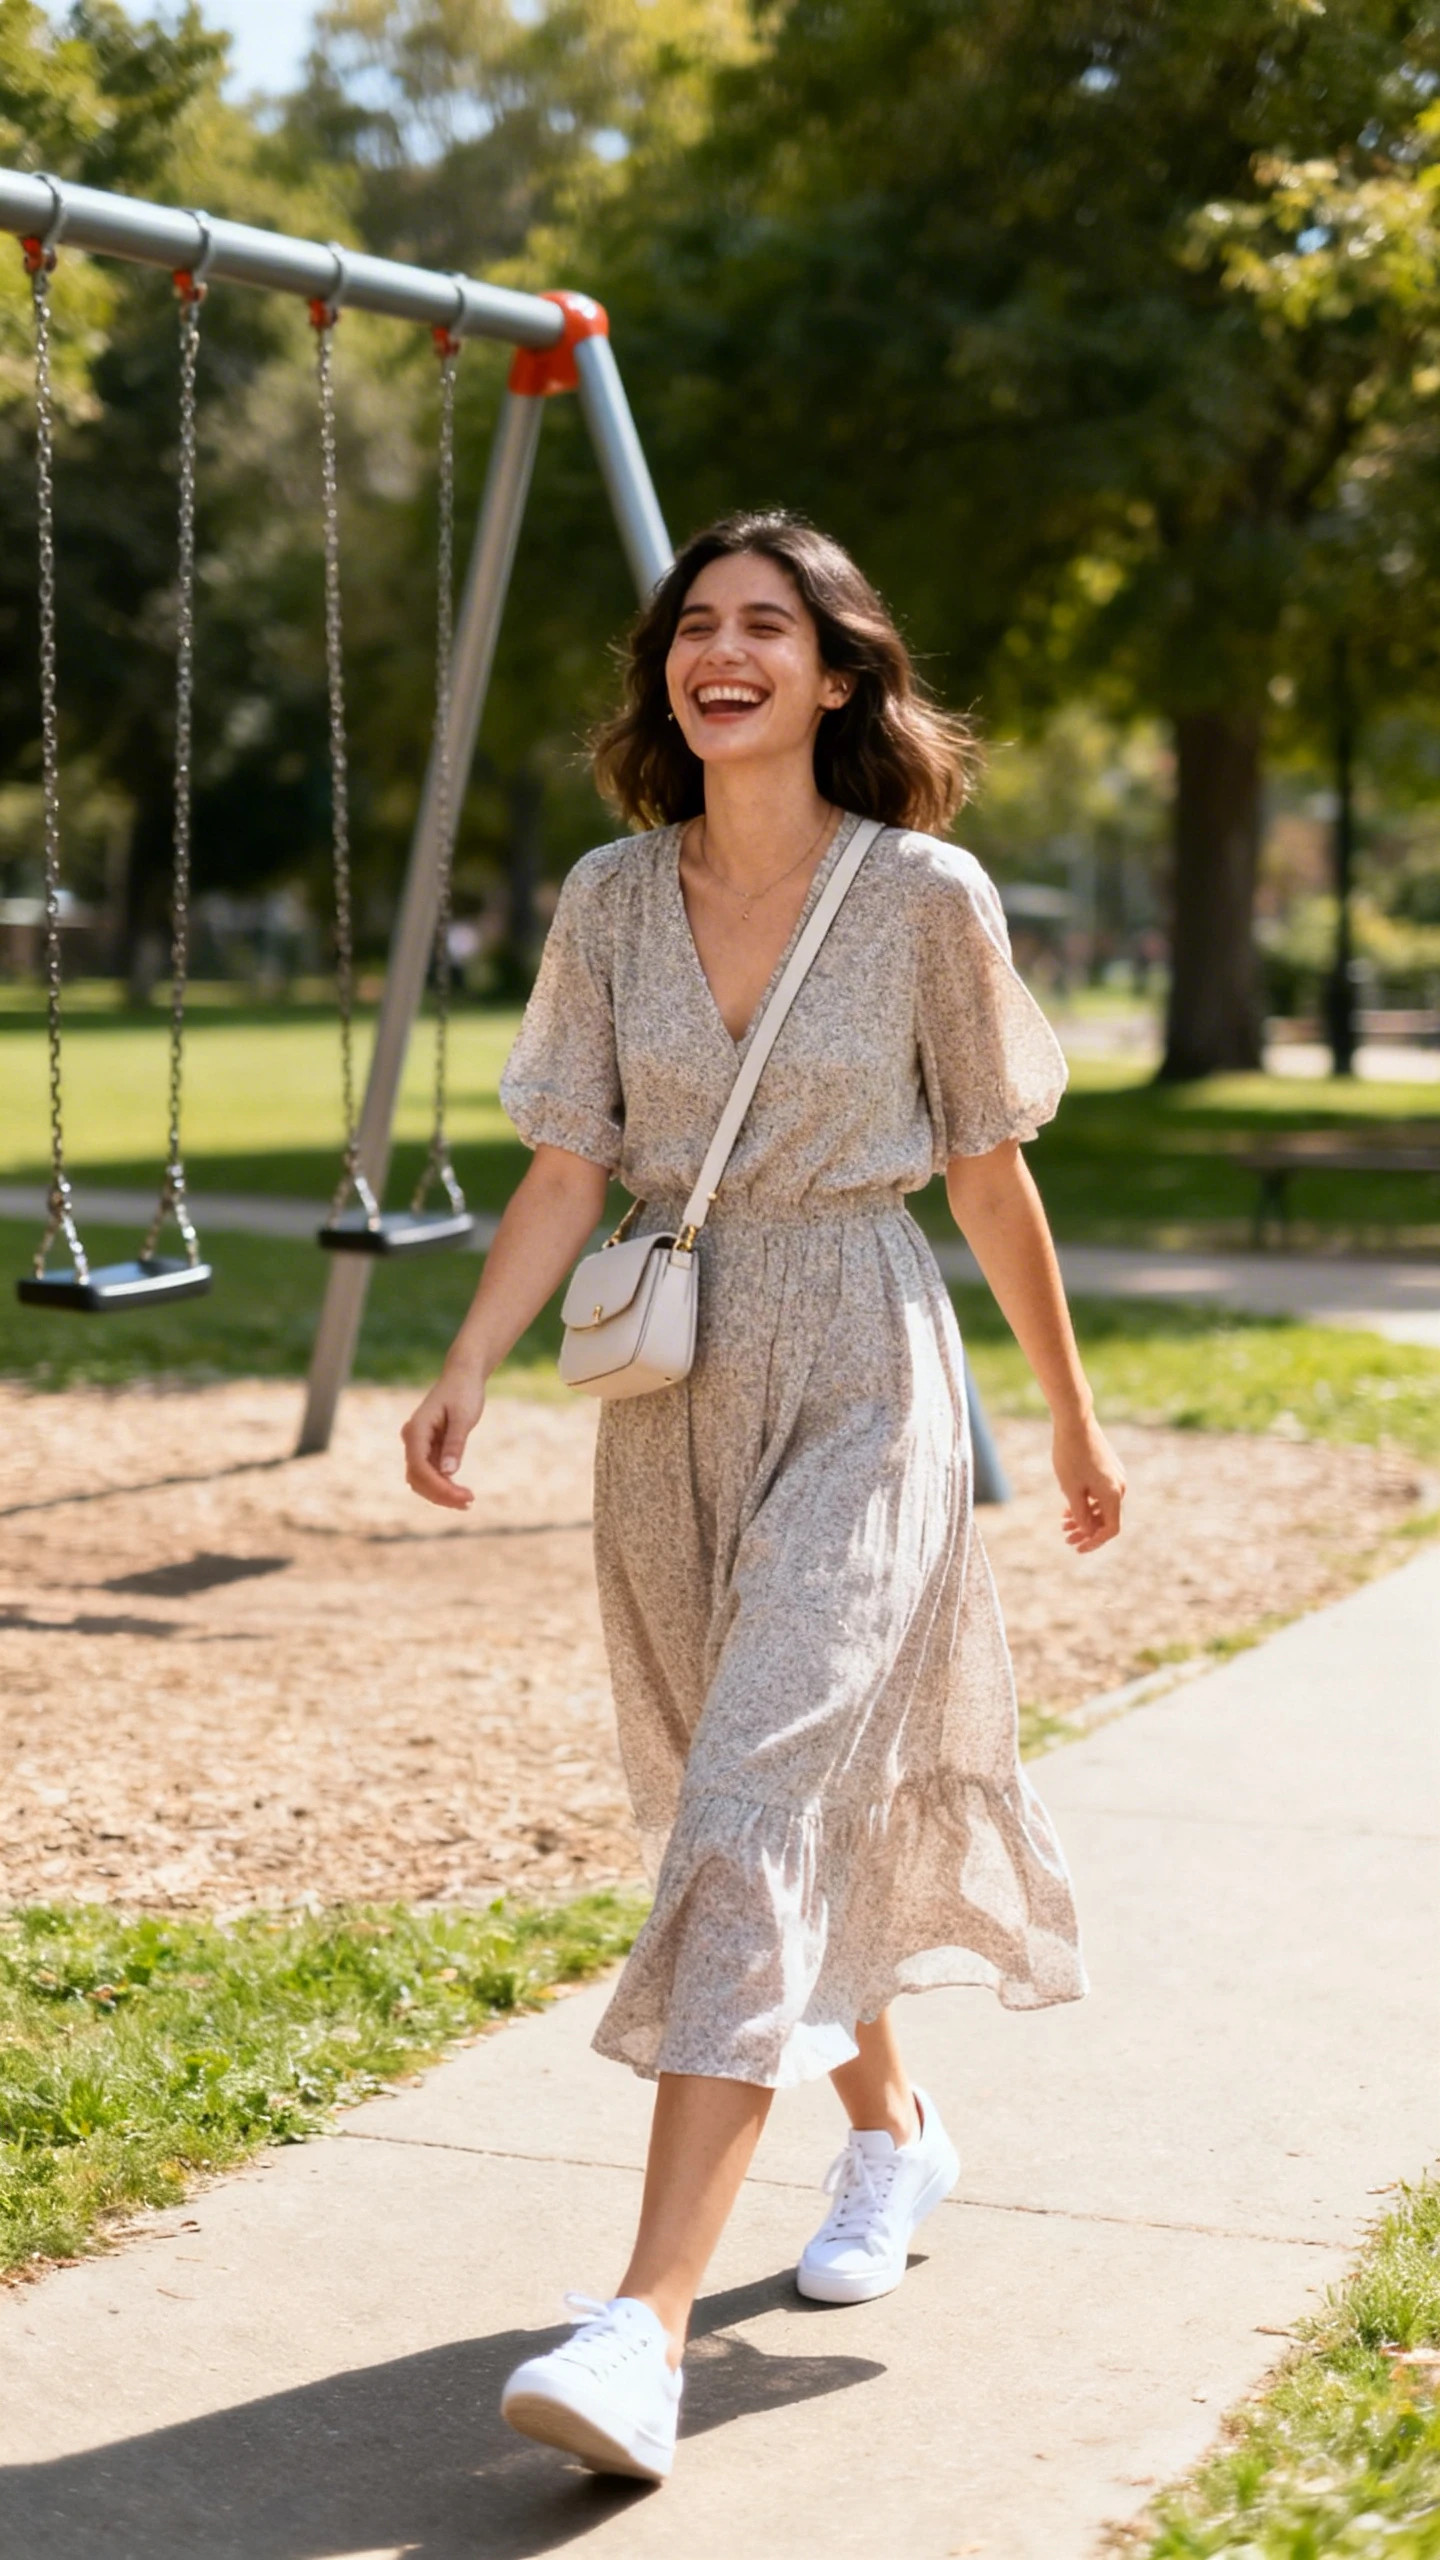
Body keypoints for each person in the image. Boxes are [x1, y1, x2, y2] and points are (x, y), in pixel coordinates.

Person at [401, 510, 1126, 2486]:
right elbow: (568, 1159)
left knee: (747, 1799)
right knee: (762, 1805)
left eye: (767, 627)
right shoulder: (609, 900)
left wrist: (1066, 1420)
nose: (724, 650)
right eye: (694, 625)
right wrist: (468, 1356)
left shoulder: (925, 894)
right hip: (672, 1395)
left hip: (868, 1365)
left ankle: (637, 2328)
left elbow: (988, 1170)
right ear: (669, 675)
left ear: (835, 676)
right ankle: (890, 2129)